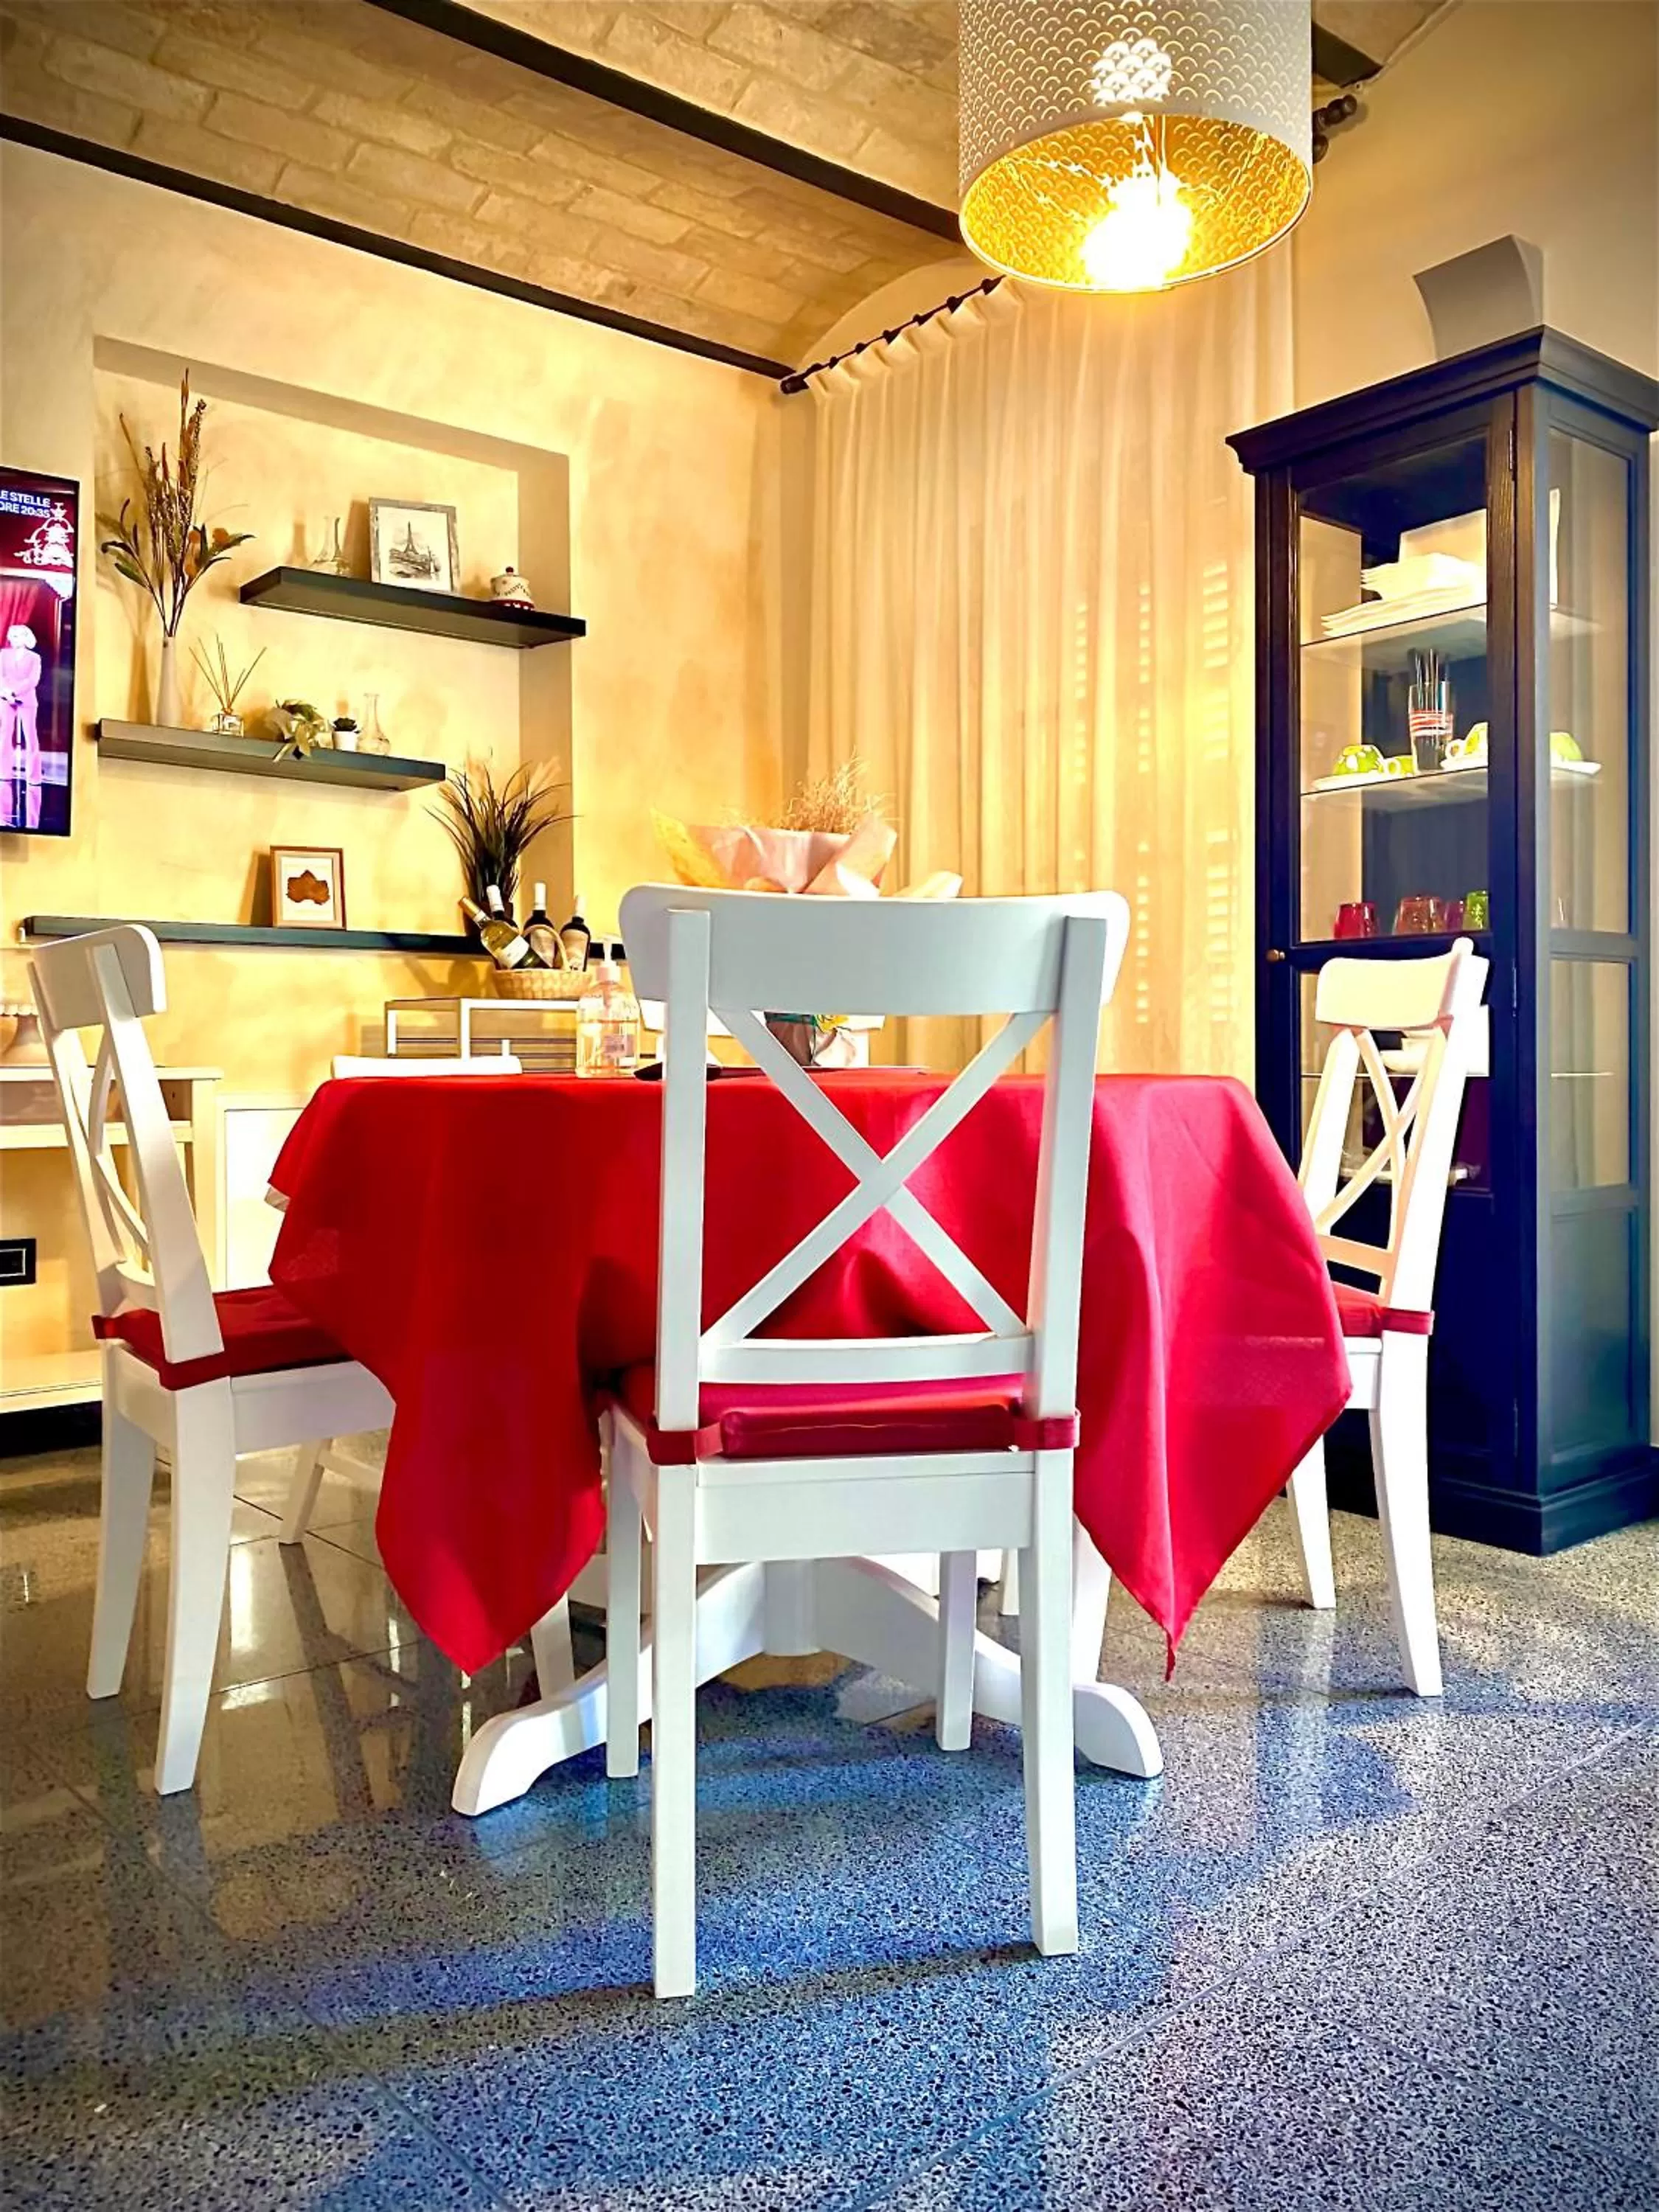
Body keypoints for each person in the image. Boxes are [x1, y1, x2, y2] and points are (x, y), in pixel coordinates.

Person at [0, 622, 43, 831]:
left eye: (20, 636)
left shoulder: (35, 658)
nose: (16, 639)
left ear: (27, 638)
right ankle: (4, 773)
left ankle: (34, 777)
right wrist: (5, 693)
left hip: (26, 700)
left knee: (30, 738)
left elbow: (33, 680)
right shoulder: (3, 655)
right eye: (13, 636)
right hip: (4, 699)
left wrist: (15, 692)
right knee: (4, 737)